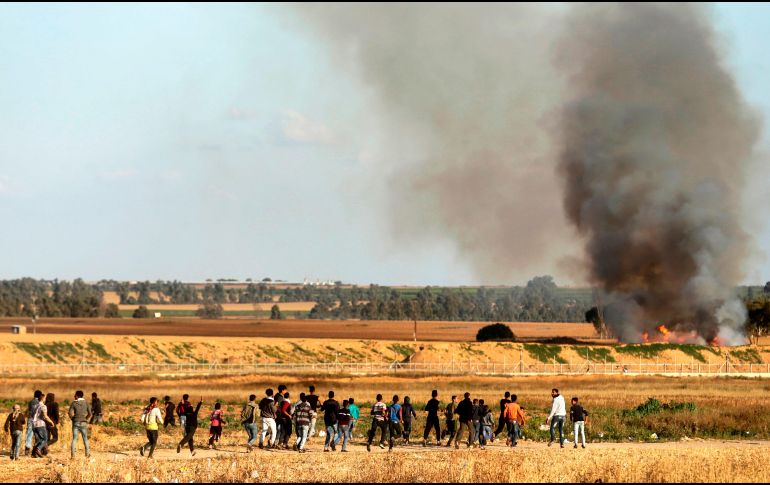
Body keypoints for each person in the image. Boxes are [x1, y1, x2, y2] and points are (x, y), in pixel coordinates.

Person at [68, 390, 92, 459]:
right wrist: (86, 419)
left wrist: (73, 419)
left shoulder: (74, 403)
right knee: (85, 439)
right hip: (83, 422)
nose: (74, 396)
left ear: (77, 396)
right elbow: (90, 414)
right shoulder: (86, 403)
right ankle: (87, 454)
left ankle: (73, 456)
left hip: (75, 423)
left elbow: (70, 413)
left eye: (75, 395)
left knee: (75, 439)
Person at [29, 392, 54, 458]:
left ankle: (33, 453)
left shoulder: (34, 406)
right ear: (43, 398)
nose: (45, 399)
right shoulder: (43, 406)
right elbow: (45, 416)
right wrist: (51, 422)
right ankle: (38, 449)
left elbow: (30, 415)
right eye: (45, 398)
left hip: (33, 424)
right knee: (44, 439)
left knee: (38, 440)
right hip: (40, 424)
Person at [24, 390, 42, 456]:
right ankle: (36, 450)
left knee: (29, 433)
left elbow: (28, 411)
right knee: (37, 435)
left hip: (30, 419)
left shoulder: (30, 402)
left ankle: (27, 448)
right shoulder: (39, 402)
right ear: (40, 395)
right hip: (37, 420)